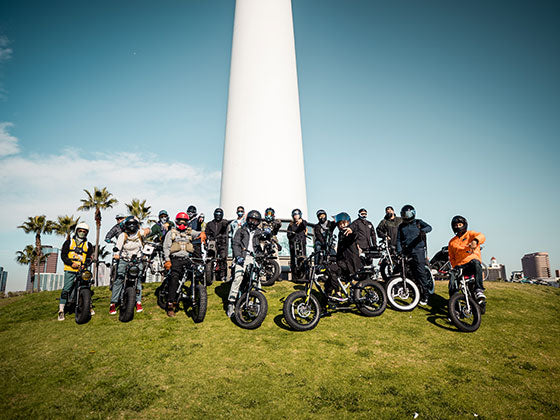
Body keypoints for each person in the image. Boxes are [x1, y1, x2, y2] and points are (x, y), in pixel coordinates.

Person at [162, 212, 201, 317]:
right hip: (175, 259)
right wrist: (167, 260)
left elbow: (199, 233)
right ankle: (171, 304)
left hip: (187, 259)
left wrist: (203, 234)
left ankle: (194, 296)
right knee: (174, 279)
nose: (182, 223)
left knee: (196, 274)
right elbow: (166, 247)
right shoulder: (171, 233)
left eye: (184, 221)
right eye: (180, 221)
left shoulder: (189, 232)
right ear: (176, 221)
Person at [227, 210, 264, 317]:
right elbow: (235, 244)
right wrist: (238, 256)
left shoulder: (259, 232)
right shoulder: (241, 230)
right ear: (248, 220)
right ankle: (231, 303)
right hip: (243, 257)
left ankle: (258, 303)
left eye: (256, 220)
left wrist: (268, 236)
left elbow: (265, 242)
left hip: (254, 258)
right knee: (238, 277)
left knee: (256, 280)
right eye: (251, 219)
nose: (253, 222)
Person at [109, 217, 150, 315]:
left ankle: (138, 302)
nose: (132, 226)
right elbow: (118, 247)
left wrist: (148, 230)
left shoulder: (140, 233)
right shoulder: (123, 235)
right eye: (129, 224)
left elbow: (148, 231)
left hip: (137, 260)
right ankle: (113, 303)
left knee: (138, 280)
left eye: (134, 224)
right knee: (119, 279)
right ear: (126, 226)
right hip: (124, 259)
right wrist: (116, 254)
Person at [395, 205, 432, 306]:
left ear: (413, 213)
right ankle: (415, 291)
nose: (406, 216)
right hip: (407, 251)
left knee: (420, 272)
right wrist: (399, 251)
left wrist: (423, 231)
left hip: (418, 250)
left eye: (408, 214)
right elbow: (398, 240)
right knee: (408, 271)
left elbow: (429, 227)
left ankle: (426, 295)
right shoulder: (401, 226)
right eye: (404, 214)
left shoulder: (418, 222)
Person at [58, 222, 94, 321]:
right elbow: (63, 256)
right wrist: (71, 263)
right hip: (70, 269)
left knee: (86, 286)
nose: (82, 233)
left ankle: (88, 307)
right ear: (77, 231)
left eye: (84, 232)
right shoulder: (68, 242)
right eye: (80, 231)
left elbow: (89, 258)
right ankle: (61, 310)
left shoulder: (88, 245)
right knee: (67, 289)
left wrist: (85, 264)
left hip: (82, 270)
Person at [325, 212, 363, 300]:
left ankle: (338, 293)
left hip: (350, 263)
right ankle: (328, 298)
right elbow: (340, 251)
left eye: (343, 223)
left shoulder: (348, 233)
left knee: (331, 269)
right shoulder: (340, 234)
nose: (341, 225)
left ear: (348, 222)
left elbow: (355, 234)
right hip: (343, 262)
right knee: (329, 278)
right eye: (340, 224)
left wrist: (351, 230)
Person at [448, 215, 486, 300]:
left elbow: (482, 236)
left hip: (471, 263)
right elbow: (451, 257)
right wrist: (455, 267)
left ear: (464, 225)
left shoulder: (471, 234)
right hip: (459, 266)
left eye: (460, 225)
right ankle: (453, 299)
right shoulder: (451, 242)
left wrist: (475, 241)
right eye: (456, 225)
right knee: (452, 276)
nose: (458, 227)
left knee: (476, 263)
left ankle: (479, 289)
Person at [205, 208, 231, 282]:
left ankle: (223, 276)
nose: (218, 215)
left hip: (222, 243)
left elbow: (226, 224)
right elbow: (206, 233)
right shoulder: (210, 224)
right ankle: (209, 275)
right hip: (212, 242)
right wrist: (206, 241)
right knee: (210, 257)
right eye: (217, 214)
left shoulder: (224, 222)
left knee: (223, 258)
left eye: (220, 214)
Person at [287, 208, 308, 281]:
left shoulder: (302, 223)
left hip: (302, 245)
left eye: (297, 215)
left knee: (303, 259)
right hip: (293, 245)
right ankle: (295, 278)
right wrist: (293, 236)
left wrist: (301, 221)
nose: (296, 216)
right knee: (294, 261)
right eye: (294, 215)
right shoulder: (291, 225)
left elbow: (305, 224)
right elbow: (288, 235)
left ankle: (304, 276)